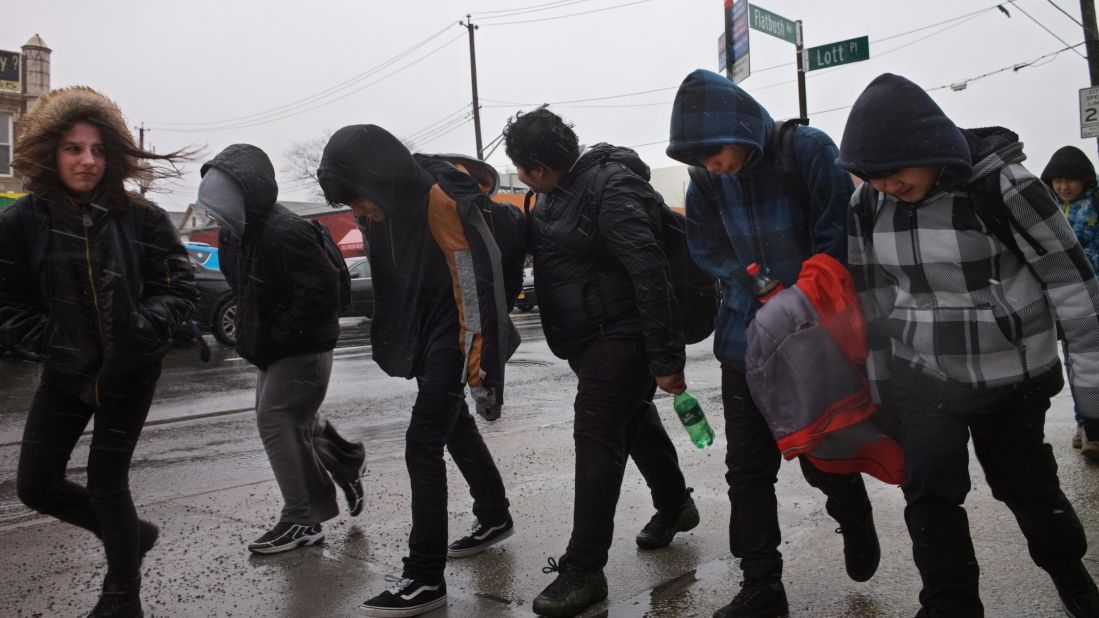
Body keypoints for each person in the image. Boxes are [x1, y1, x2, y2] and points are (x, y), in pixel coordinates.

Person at [837, 72, 1099, 618]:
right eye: (872, 176)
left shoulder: (1006, 187)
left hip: (1012, 377)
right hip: (924, 376)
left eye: (893, 173)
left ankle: (1066, 568)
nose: (885, 186)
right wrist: (881, 389)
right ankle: (948, 605)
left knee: (1026, 488)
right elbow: (874, 300)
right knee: (929, 493)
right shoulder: (867, 206)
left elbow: (1076, 289)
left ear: (928, 149)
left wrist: (1094, 403)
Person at [665, 69, 879, 618]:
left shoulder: (805, 150)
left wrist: (802, 294)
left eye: (714, 153)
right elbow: (705, 245)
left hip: (812, 336)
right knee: (747, 468)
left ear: (739, 128)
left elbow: (840, 232)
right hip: (745, 339)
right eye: (700, 160)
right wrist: (754, 285)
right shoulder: (706, 180)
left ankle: (851, 510)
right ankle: (762, 584)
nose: (710, 166)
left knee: (819, 454)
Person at [0, 86, 199, 617]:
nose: (87, 160)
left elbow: (181, 289)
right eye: (73, 148)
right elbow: (6, 304)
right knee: (36, 485)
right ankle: (133, 536)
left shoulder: (141, 218)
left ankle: (121, 597)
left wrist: (140, 328)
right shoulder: (22, 222)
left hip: (129, 374)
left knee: (108, 481)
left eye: (97, 149)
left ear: (111, 154)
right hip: (65, 374)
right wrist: (52, 342)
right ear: (51, 152)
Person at [503, 107, 699, 618]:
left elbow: (651, 272)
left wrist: (665, 358)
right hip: (587, 337)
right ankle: (676, 503)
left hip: (625, 333)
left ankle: (584, 569)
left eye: (522, 168)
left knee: (596, 433)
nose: (522, 177)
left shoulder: (611, 187)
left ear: (537, 166)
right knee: (632, 422)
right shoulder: (549, 196)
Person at [317, 125, 518, 618]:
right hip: (426, 330)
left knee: (421, 441)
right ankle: (494, 515)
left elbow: (471, 292)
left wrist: (481, 373)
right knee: (453, 428)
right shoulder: (386, 207)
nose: (358, 212)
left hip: (453, 330)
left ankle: (424, 577)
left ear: (378, 181)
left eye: (358, 200)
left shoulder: (440, 200)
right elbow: (396, 278)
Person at [195, 144, 367, 554]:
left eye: (222, 200)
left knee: (277, 422)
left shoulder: (287, 230)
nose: (216, 212)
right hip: (270, 348)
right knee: (291, 422)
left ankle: (301, 519)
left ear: (248, 191)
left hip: (302, 348)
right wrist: (258, 337)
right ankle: (342, 459)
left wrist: (278, 335)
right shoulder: (234, 234)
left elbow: (322, 294)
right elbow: (244, 290)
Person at [1040, 145, 1099, 456]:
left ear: (1085, 180)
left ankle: (1094, 427)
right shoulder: (1047, 207)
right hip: (1066, 303)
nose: (1063, 187)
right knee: (1076, 366)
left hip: (1096, 299)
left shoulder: (1096, 203)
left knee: (1093, 365)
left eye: (1070, 180)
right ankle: (1085, 422)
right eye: (1057, 180)